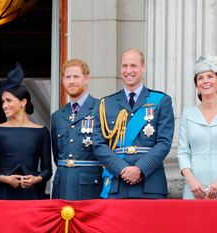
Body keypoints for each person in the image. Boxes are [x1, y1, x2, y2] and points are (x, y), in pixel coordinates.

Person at [93, 48, 175, 199]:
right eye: (124, 66)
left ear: (143, 68)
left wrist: (140, 169)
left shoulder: (161, 101)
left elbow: (164, 143)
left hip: (150, 185)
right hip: (117, 184)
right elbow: (98, 144)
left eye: (133, 66)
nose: (128, 70)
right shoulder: (106, 103)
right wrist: (122, 168)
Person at [0, 63, 52, 200]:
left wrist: (36, 179)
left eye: (9, 100)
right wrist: (5, 179)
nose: (4, 106)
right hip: (3, 193)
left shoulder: (41, 132)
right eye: (2, 102)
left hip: (32, 194)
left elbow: (47, 170)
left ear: (23, 102)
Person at [51, 59, 102, 200]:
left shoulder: (101, 109)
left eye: (76, 76)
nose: (71, 81)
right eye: (68, 77)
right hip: (62, 186)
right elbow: (57, 154)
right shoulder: (57, 116)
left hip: (91, 186)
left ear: (86, 78)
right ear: (62, 80)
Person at [177, 55, 217, 199]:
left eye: (210, 76)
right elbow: (183, 152)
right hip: (195, 189)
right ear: (196, 86)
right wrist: (191, 181)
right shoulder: (188, 114)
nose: (205, 81)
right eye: (200, 78)